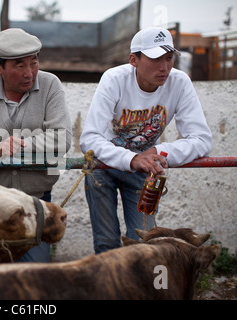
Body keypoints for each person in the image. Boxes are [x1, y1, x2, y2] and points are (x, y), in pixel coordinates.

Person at [80, 27, 212, 254]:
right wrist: (132, 159)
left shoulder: (179, 82)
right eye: (155, 59)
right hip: (104, 166)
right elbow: (90, 138)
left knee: (144, 244)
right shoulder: (114, 79)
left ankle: (138, 290)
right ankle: (109, 288)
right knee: (106, 242)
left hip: (146, 171)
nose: (164, 67)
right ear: (134, 60)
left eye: (169, 58)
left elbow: (201, 139)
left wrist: (159, 152)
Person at [0, 28, 72, 262]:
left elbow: (62, 139)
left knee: (32, 273)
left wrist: (21, 144)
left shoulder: (51, 85)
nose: (30, 73)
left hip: (36, 199)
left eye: (34, 62)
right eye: (19, 66)